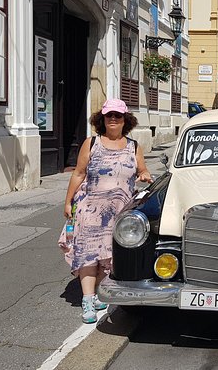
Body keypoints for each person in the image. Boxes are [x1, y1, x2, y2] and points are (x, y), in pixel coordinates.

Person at [58, 98, 153, 323]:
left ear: (125, 120)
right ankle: (88, 299)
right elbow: (79, 174)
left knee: (109, 257)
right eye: (108, 115)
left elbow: (142, 169)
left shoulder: (134, 146)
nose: (112, 119)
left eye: (117, 116)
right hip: (90, 208)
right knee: (88, 255)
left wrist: (144, 175)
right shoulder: (91, 143)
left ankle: (99, 292)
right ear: (102, 119)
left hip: (120, 212)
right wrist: (68, 201)